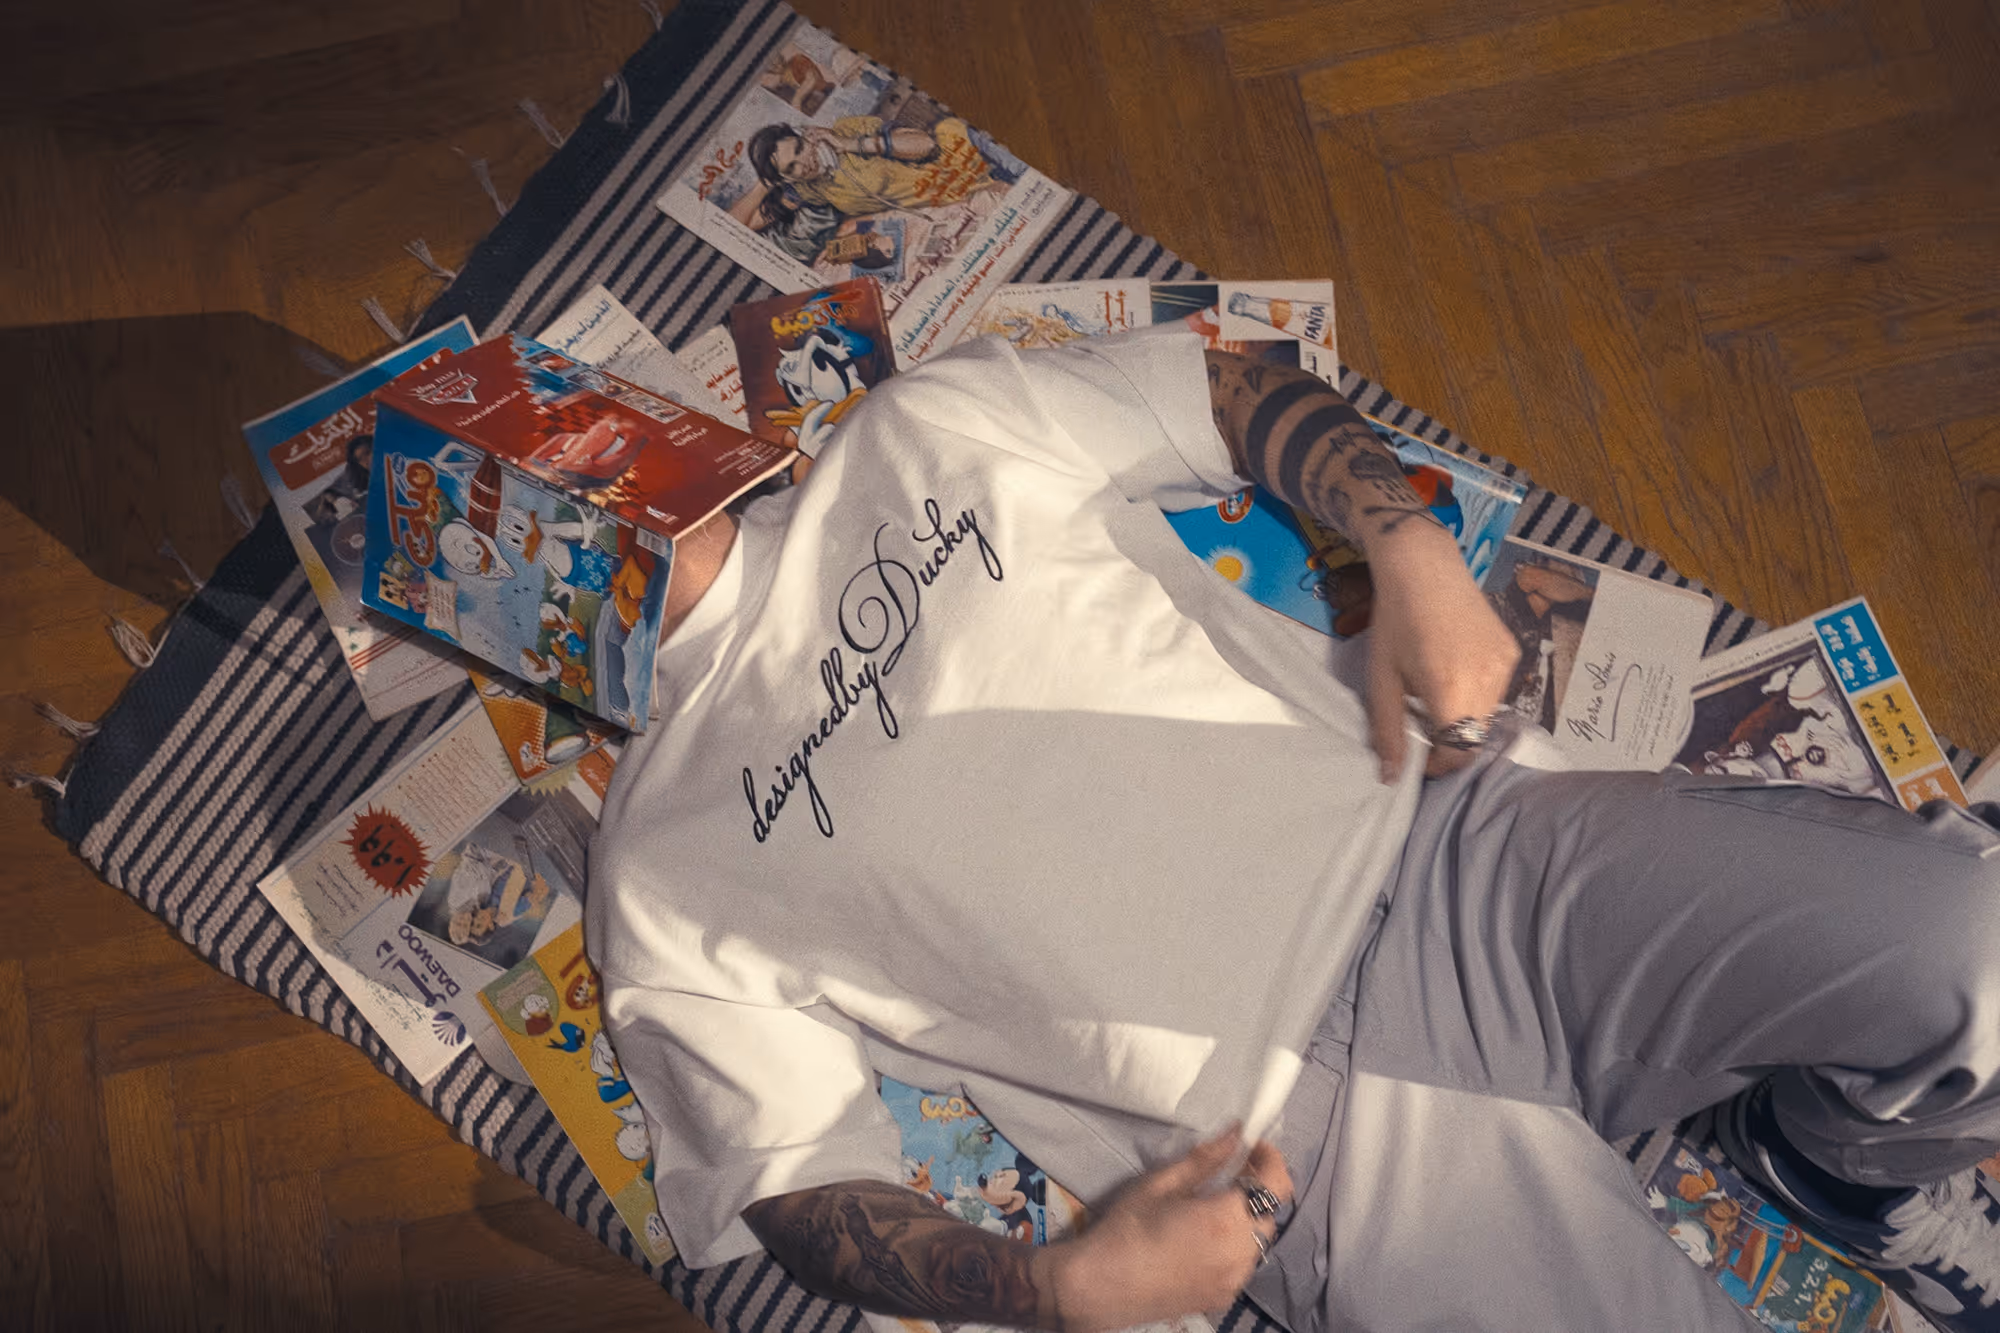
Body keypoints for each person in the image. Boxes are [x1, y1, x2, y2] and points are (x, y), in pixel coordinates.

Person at [589, 327, 2000, 1332]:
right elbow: (790, 1185)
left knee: (1977, 945)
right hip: (1293, 1147)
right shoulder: (656, 871)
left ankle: (1829, 1169)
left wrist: (1409, 544)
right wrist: (1053, 1288)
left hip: (1457, 843)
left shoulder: (914, 435)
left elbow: (1223, 389)